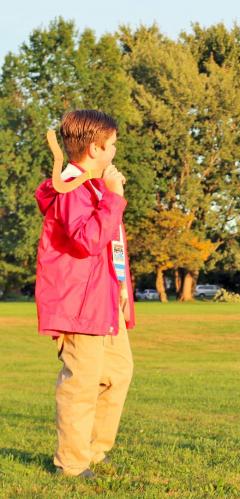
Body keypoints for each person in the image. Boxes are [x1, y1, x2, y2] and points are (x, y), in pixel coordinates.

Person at [35, 110, 135, 478]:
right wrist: (115, 196)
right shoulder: (72, 187)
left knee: (118, 373)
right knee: (81, 384)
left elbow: (109, 244)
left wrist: (121, 286)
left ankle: (93, 450)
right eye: (111, 146)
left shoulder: (92, 187)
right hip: (80, 304)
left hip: (105, 299)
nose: (114, 153)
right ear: (95, 148)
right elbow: (89, 240)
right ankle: (72, 463)